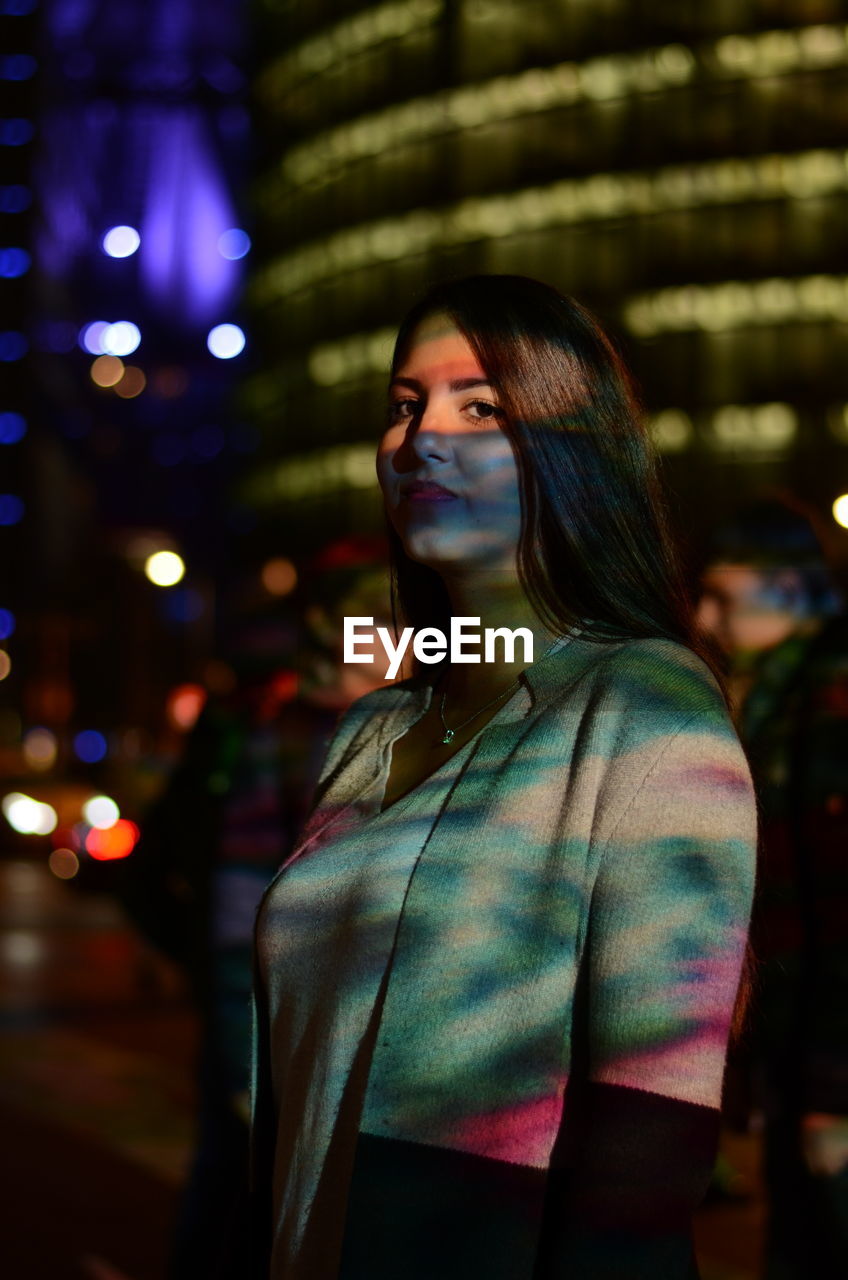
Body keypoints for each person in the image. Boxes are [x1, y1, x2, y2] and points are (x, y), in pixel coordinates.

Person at [249, 275, 758, 1279]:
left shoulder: (644, 709)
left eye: (480, 405)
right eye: (403, 405)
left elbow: (646, 1151)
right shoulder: (373, 728)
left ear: (574, 453)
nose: (421, 435)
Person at [697, 499, 848, 1279]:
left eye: (723, 596)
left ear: (785, 586)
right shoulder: (782, 693)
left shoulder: (826, 692)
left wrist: (831, 1088)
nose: (704, 616)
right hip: (803, 1057)